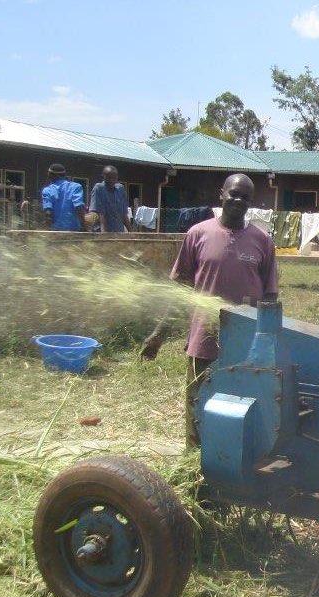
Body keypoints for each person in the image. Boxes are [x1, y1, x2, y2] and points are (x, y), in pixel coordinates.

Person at [140, 173, 279, 448]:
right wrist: (158, 334)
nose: (238, 200)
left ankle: (233, 469)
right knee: (198, 409)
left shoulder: (262, 241)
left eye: (245, 197)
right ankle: (195, 470)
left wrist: (270, 343)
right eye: (234, 194)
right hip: (204, 341)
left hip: (246, 345)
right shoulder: (198, 234)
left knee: (243, 409)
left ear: (251, 202)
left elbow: (271, 296)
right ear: (222, 194)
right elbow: (179, 291)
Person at [41, 163, 85, 231]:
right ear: (64, 175)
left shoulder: (47, 190)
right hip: (74, 231)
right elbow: (79, 207)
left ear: (50, 175)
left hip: (56, 232)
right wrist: (84, 226)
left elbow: (48, 213)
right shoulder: (76, 187)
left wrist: (48, 232)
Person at [88, 165, 131, 233]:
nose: (111, 180)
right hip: (102, 233)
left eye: (114, 178)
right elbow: (100, 214)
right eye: (109, 177)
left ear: (117, 177)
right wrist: (104, 236)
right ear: (103, 176)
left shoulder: (120, 189)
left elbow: (124, 214)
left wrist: (132, 233)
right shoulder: (99, 188)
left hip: (119, 233)